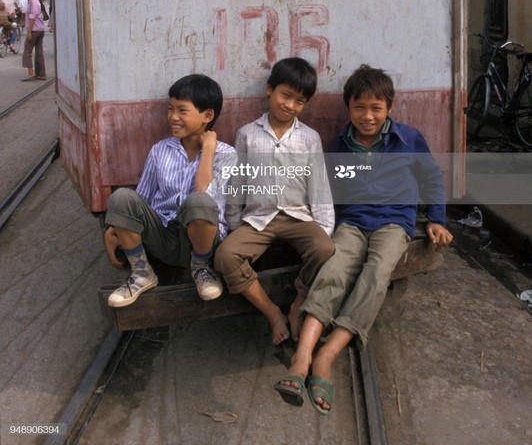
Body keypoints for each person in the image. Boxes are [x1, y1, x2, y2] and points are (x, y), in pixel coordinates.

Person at [274, 64, 453, 414]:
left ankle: (327, 354)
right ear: (348, 108)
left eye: (376, 108)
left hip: (393, 223)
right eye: (359, 108)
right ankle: (303, 356)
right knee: (334, 270)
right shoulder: (340, 143)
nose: (367, 116)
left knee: (376, 274)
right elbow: (330, 190)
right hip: (353, 222)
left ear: (389, 108)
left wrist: (436, 219)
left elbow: (432, 177)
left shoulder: (409, 138)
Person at [214, 57, 335, 345]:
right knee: (225, 256)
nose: (290, 105)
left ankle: (297, 304)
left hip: (298, 217)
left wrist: (324, 228)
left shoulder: (309, 138)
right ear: (269, 90)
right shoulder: (247, 134)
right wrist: (233, 223)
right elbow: (237, 182)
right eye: (285, 95)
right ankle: (272, 313)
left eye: (299, 101)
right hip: (258, 219)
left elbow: (318, 186)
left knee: (325, 249)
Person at [103, 74, 237, 307]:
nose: (173, 117)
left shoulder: (225, 154)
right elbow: (140, 200)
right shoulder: (159, 150)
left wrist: (208, 150)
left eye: (182, 111)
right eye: (170, 109)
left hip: (201, 240)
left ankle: (201, 269)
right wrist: (115, 226)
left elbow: (203, 195)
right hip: (162, 235)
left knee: (199, 202)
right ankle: (142, 273)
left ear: (207, 116)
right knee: (122, 197)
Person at [17, 0, 46, 81]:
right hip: (40, 30)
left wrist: (29, 31)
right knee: (39, 52)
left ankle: (31, 74)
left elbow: (32, 18)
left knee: (27, 52)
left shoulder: (32, 2)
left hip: (34, 30)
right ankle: (41, 74)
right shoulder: (37, 1)